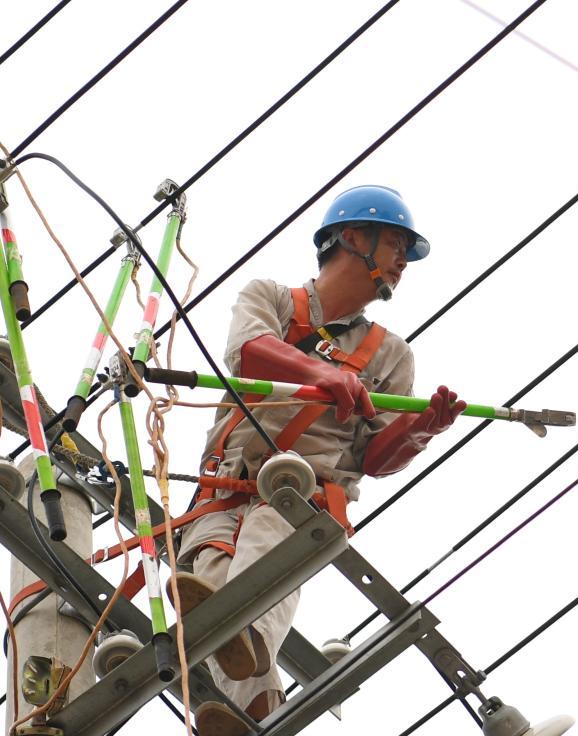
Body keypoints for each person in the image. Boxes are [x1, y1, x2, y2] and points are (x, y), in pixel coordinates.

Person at [171, 185, 466, 735]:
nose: (402, 261)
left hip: (301, 492)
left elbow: (375, 458)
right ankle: (258, 714)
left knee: (263, 554)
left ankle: (246, 640)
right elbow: (248, 351)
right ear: (352, 236)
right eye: (395, 244)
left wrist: (420, 429)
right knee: (207, 589)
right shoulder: (273, 298)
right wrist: (323, 373)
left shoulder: (390, 354)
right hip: (223, 489)